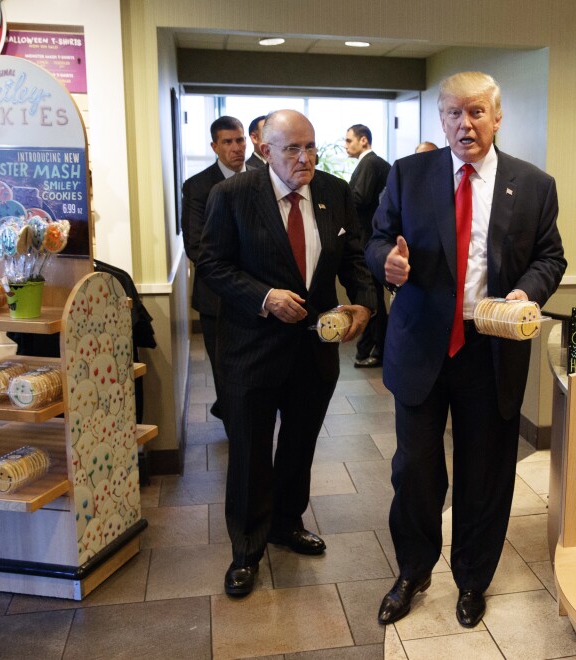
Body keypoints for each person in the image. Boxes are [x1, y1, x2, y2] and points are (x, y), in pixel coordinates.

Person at [365, 72, 566, 628]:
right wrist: (386, 261)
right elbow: (377, 238)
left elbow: (551, 256)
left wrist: (529, 290)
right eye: (453, 113)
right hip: (422, 347)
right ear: (442, 120)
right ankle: (412, 570)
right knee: (415, 470)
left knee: (486, 472)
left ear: (497, 118)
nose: (464, 123)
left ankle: (473, 578)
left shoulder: (533, 184)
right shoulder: (408, 175)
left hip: (491, 349)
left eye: (476, 112)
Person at [198, 109, 376, 598]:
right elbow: (211, 263)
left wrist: (364, 302)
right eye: (293, 149)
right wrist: (263, 297)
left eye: (311, 147)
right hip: (251, 347)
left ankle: (286, 522)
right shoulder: (232, 195)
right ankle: (247, 549)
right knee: (252, 450)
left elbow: (356, 258)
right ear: (264, 151)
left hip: (313, 349)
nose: (305, 158)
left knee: (299, 444)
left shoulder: (335, 193)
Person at [181, 115, 247, 421]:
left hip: (262, 294)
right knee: (224, 366)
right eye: (228, 142)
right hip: (217, 296)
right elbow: (195, 246)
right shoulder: (198, 186)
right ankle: (235, 423)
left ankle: (249, 415)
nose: (236, 148)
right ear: (214, 146)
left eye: (240, 140)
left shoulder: (264, 176)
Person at [345, 124, 391, 367]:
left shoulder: (370, 163)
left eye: (349, 140)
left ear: (364, 140)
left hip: (369, 238)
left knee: (373, 298)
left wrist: (338, 198)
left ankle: (377, 349)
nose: (345, 145)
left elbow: (359, 198)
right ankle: (371, 348)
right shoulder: (371, 163)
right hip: (371, 237)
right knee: (373, 297)